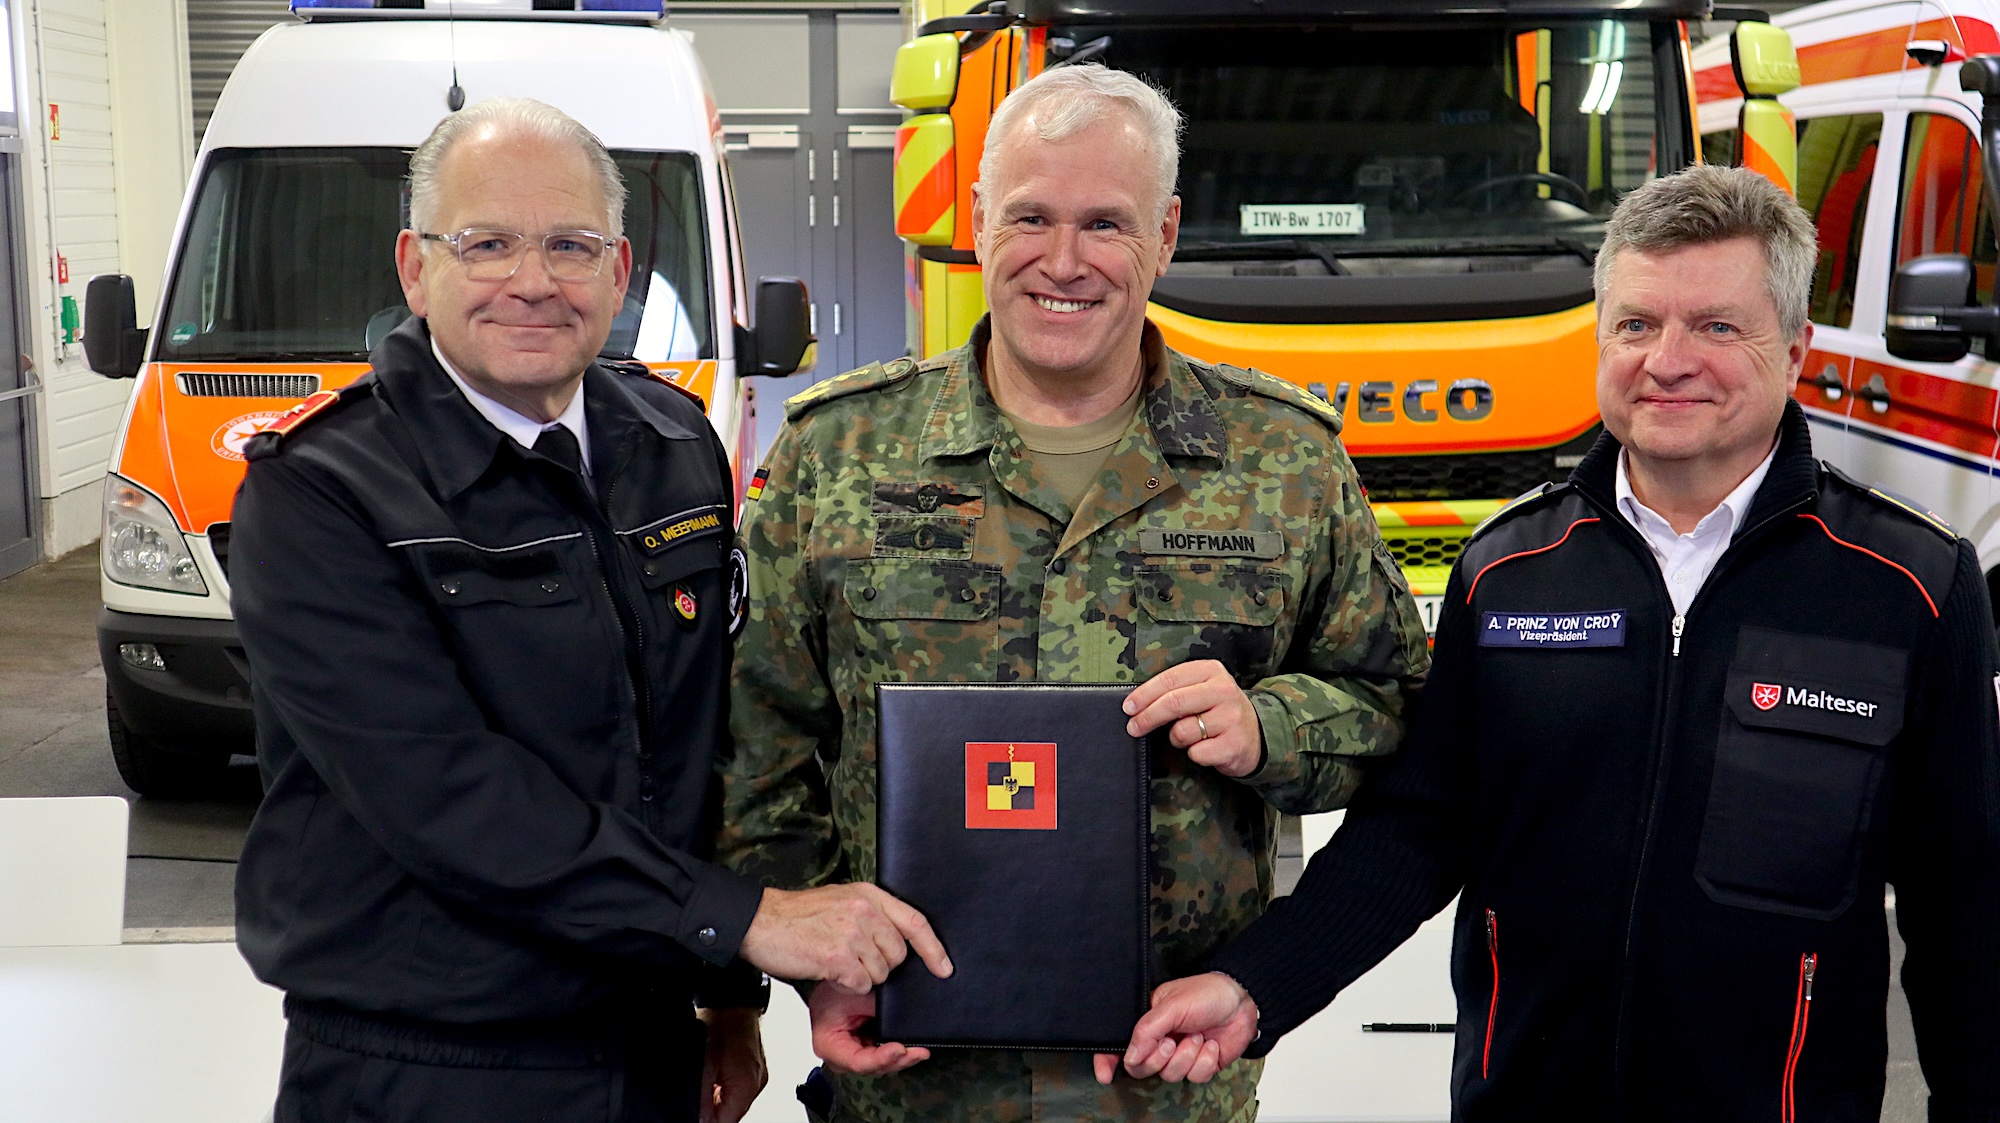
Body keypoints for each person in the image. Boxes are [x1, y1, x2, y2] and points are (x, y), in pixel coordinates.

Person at [1116, 163, 2000, 1118]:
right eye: (1635, 323)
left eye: (1715, 325)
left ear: (1793, 351)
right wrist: (1256, 985)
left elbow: (1968, 913)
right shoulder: (1507, 571)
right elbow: (1420, 828)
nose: (1667, 358)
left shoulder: (1909, 584)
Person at [719, 64, 1429, 1123]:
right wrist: (823, 947)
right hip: (911, 1076)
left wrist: (1268, 724)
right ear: (973, 222)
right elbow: (753, 735)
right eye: (1029, 217)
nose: (1062, 262)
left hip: (1169, 1076)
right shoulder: (838, 454)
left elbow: (1397, 709)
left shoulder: (1281, 459)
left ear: (1166, 234)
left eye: (1105, 222)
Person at [228, 97, 949, 1123]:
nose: (532, 281)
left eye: (571, 246)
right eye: (486, 244)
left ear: (618, 274)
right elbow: (445, 793)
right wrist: (746, 921)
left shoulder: (672, 444)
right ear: (413, 267)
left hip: (650, 1044)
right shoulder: (322, 491)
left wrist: (728, 997)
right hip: (426, 1067)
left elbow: (707, 742)